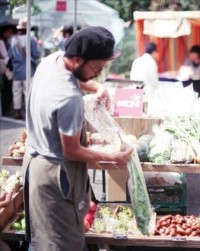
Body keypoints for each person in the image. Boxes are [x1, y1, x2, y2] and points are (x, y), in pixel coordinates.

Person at [23, 26, 133, 250]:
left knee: (44, 237)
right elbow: (71, 151)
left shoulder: (51, 61)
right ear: (77, 59)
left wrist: (95, 86)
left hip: (35, 166)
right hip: (55, 175)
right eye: (97, 68)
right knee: (60, 242)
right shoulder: (69, 99)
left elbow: (73, 79)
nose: (99, 73)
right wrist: (113, 159)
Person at [8, 18, 41, 119]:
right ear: (27, 29)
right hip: (28, 70)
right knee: (28, 92)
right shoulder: (30, 39)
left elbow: (10, 55)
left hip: (17, 70)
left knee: (16, 92)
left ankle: (17, 112)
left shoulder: (13, 39)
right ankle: (28, 113)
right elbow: (36, 55)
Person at [0, 25, 14, 116]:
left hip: (3, 66)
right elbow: (5, 56)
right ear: (4, 32)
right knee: (6, 89)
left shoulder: (6, 41)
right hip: (3, 67)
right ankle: (5, 109)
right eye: (9, 31)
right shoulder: (1, 41)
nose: (10, 33)